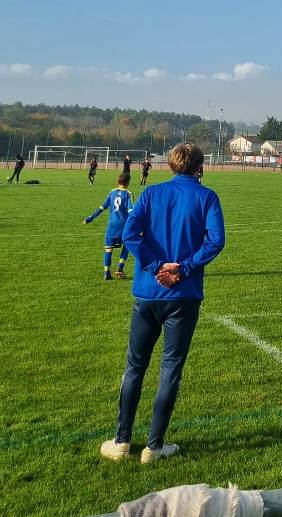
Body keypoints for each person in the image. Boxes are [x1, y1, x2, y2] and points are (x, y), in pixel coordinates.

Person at [100, 144, 225, 463]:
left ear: (170, 165)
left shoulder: (151, 194)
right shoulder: (207, 197)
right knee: (170, 369)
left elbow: (130, 235)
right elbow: (216, 241)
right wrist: (183, 268)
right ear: (200, 167)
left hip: (148, 292)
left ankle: (121, 441)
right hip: (184, 296)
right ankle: (154, 447)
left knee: (135, 366)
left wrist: (155, 266)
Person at [83, 173, 134, 280]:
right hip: (123, 226)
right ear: (128, 183)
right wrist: (138, 225)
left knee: (108, 249)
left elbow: (102, 207)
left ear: (117, 181)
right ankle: (120, 267)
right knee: (127, 245)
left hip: (112, 226)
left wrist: (90, 218)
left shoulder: (112, 192)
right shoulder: (128, 194)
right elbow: (131, 211)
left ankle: (107, 273)